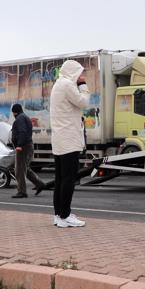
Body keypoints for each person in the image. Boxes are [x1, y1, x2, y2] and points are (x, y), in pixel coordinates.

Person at [49, 60, 90, 228]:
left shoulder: (58, 84)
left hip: (60, 140)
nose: (81, 76)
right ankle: (65, 216)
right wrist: (83, 85)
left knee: (60, 179)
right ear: (73, 72)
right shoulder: (67, 85)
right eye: (80, 73)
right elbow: (84, 102)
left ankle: (59, 215)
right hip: (69, 139)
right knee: (68, 179)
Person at [10, 104, 46, 198]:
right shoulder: (24, 117)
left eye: (13, 112)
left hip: (23, 147)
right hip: (27, 146)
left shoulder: (20, 119)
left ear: (15, 112)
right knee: (24, 168)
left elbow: (23, 131)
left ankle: (22, 191)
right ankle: (39, 184)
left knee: (19, 170)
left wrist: (19, 145)